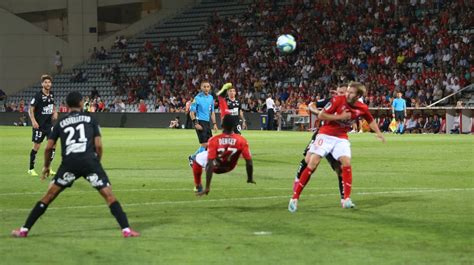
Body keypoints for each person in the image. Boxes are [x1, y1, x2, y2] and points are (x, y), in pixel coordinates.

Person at [11, 91, 140, 238]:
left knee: (48, 196)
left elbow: (48, 148)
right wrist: (96, 162)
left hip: (69, 164)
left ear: (66, 105)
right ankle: (126, 230)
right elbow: (98, 146)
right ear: (80, 103)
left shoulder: (60, 122)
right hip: (89, 162)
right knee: (109, 195)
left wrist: (46, 166)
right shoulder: (91, 120)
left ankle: (24, 230)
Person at [288, 82, 385, 213]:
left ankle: (346, 199)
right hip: (326, 134)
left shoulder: (362, 107)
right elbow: (321, 115)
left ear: (358, 96)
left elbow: (370, 119)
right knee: (312, 162)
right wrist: (340, 117)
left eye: (351, 92)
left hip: (341, 137)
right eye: (347, 91)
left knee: (346, 162)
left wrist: (379, 133)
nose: (347, 94)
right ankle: (295, 198)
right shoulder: (337, 100)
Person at [293, 84, 348, 205]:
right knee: (308, 160)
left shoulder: (350, 105)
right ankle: (297, 182)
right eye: (338, 93)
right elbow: (311, 105)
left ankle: (344, 198)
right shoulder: (330, 101)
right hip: (322, 134)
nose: (339, 95)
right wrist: (319, 113)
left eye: (342, 93)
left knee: (340, 169)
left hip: (336, 139)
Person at [193, 115, 255, 194]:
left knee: (197, 158)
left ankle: (198, 184)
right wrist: (250, 178)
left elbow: (210, 165)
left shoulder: (214, 140)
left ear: (222, 125)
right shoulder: (242, 140)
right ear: (234, 127)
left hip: (217, 167)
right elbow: (249, 162)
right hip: (230, 167)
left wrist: (207, 187)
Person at [28, 75, 58, 177]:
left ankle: (48, 167)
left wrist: (55, 112)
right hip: (39, 126)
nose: (47, 84)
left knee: (53, 144)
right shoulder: (38, 96)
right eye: (45, 82)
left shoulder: (52, 94)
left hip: (49, 125)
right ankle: (31, 168)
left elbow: (53, 105)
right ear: (42, 84)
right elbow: (31, 109)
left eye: (49, 82)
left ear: (51, 84)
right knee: (36, 146)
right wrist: (33, 121)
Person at [188, 80, 218, 165]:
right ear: (201, 88)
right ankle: (204, 161)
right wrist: (195, 123)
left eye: (207, 86)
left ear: (210, 88)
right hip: (200, 122)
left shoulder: (211, 98)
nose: (206, 88)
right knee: (205, 144)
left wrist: (215, 123)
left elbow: (212, 112)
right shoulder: (197, 98)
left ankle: (193, 157)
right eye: (204, 87)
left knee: (209, 144)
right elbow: (191, 112)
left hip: (207, 123)